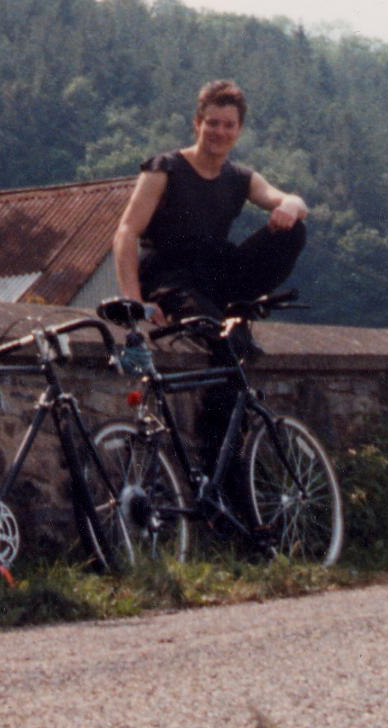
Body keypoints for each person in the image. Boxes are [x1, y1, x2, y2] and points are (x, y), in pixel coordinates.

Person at [113, 79, 308, 477]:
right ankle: (219, 459)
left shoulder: (239, 177)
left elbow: (289, 200)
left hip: (216, 272)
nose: (219, 132)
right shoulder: (164, 169)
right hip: (171, 277)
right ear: (197, 123)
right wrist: (136, 302)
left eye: (228, 125)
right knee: (226, 344)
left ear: (239, 131)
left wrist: (290, 205)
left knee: (294, 229)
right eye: (212, 123)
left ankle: (240, 303)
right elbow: (126, 232)